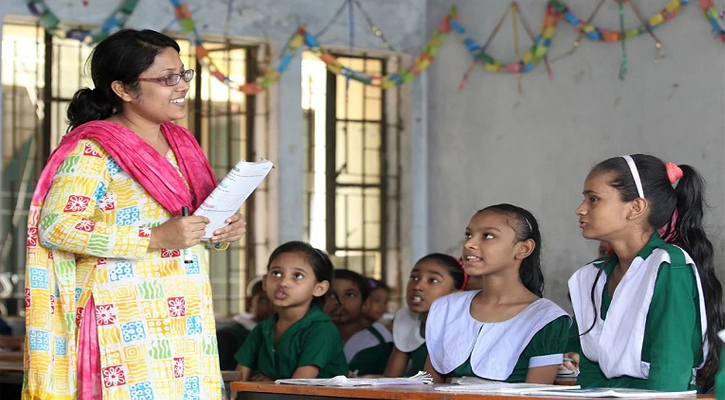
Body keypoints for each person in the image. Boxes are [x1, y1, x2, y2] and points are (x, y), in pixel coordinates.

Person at [22, 29, 247, 400]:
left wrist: (222, 229)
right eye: (167, 78)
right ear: (123, 90)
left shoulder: (181, 144)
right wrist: (155, 238)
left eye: (183, 74)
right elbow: (57, 227)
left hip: (183, 315)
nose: (181, 86)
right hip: (121, 318)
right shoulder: (95, 149)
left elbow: (190, 222)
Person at [568, 154, 724, 392]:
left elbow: (670, 370)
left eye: (594, 199)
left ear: (636, 208)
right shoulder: (590, 277)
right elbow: (589, 373)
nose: (581, 209)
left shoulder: (667, 266)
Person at [425, 204, 570, 383]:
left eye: (488, 236)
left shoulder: (546, 318)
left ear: (523, 249)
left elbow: (535, 394)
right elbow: (429, 387)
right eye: (468, 235)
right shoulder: (446, 308)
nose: (469, 244)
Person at [234, 241, 347, 381]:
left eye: (297, 276)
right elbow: (239, 378)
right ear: (265, 282)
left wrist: (269, 386)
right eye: (276, 273)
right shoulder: (263, 329)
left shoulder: (322, 330)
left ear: (319, 288)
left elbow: (298, 386)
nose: (283, 283)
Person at [383, 253, 467, 377]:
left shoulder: (463, 325)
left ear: (457, 292)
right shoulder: (407, 319)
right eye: (414, 278)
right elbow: (390, 379)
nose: (417, 286)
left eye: (432, 280)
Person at [324, 269, 393, 376]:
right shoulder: (311, 335)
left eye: (350, 295)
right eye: (331, 295)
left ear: (365, 304)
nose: (340, 301)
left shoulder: (381, 340)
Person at [216, 276, 273, 370]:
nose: (271, 306)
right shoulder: (230, 336)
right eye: (264, 300)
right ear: (250, 302)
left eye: (274, 300)